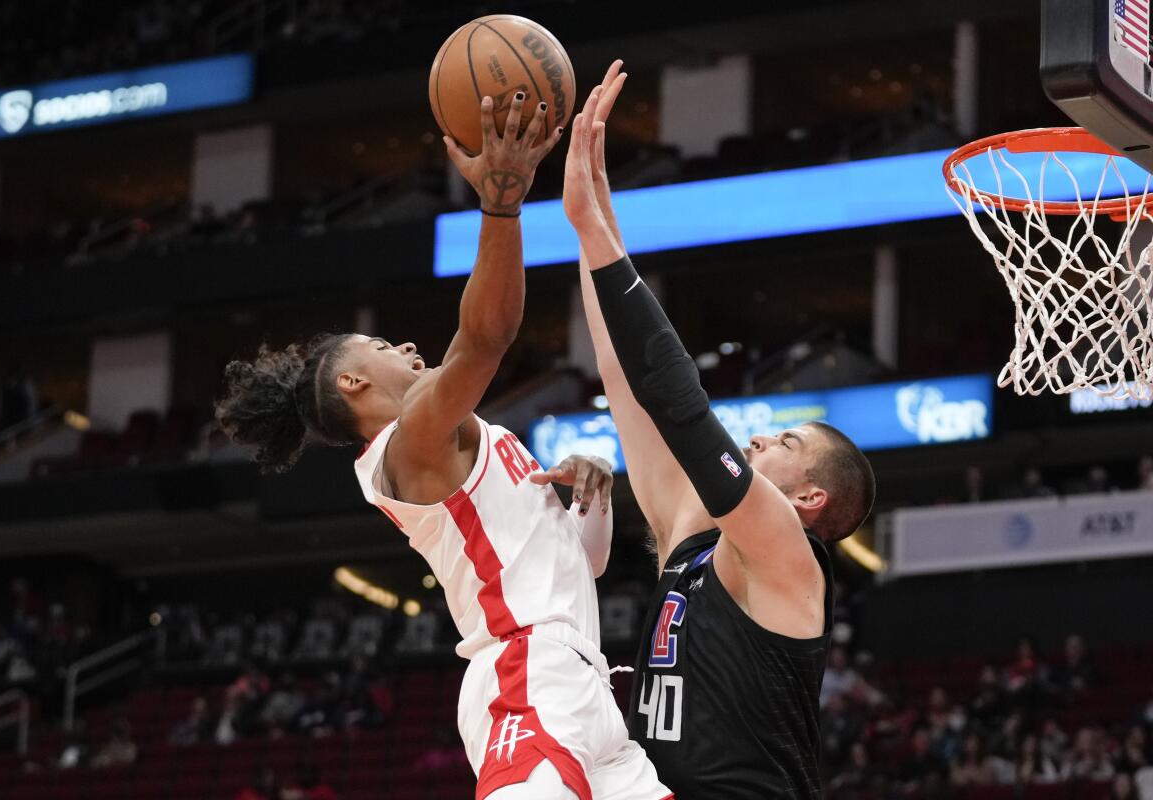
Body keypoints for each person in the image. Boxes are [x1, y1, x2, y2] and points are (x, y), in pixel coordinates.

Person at [217, 94, 669, 800]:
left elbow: (575, 569)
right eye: (381, 344)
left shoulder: (468, 441)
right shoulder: (409, 443)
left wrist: (593, 499)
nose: (406, 345)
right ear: (355, 381)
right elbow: (486, 337)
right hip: (525, 677)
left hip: (581, 678)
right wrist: (502, 202)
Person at [563, 61, 876, 799]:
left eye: (788, 446)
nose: (764, 438)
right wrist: (592, 213)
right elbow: (625, 377)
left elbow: (682, 404)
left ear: (809, 502)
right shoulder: (692, 536)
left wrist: (595, 236)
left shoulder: (789, 561)